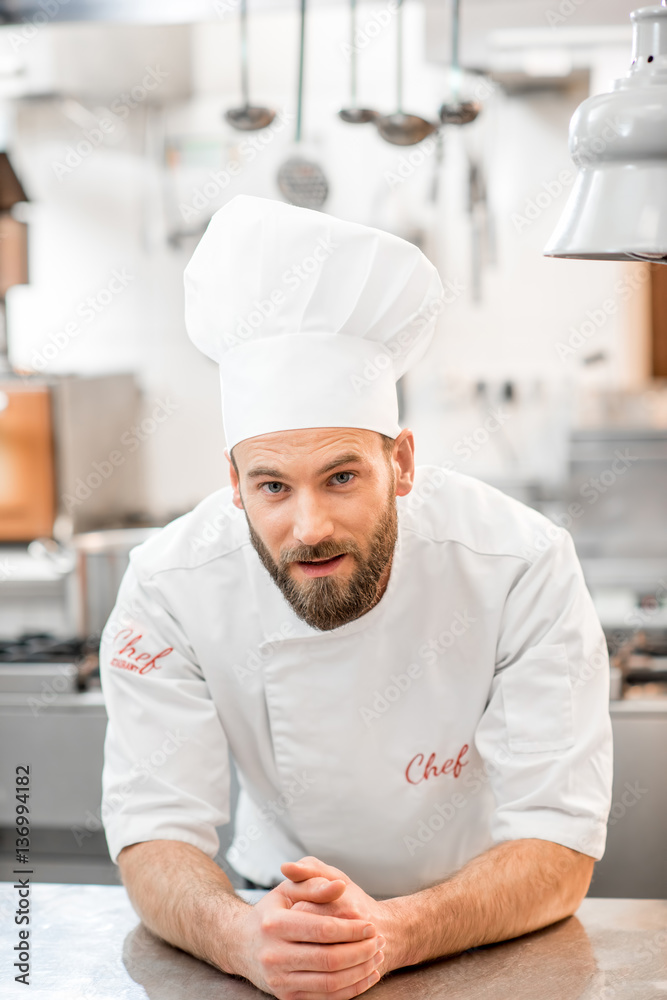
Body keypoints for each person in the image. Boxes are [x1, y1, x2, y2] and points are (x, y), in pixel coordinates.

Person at [100, 195, 613, 1000]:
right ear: (233, 485)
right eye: (272, 485)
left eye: (342, 476)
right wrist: (237, 936)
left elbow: (557, 845)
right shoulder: (170, 585)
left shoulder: (517, 562)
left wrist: (397, 931)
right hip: (270, 917)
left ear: (401, 464)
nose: (309, 526)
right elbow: (153, 830)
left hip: (481, 925)